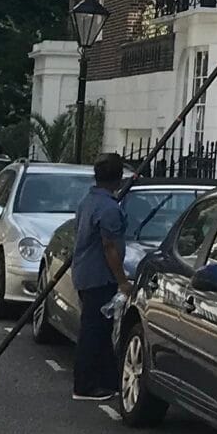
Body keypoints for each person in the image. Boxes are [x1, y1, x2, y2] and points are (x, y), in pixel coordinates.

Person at [67, 154, 135, 400]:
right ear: (118, 179)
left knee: (101, 330)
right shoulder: (108, 208)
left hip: (85, 273)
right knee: (93, 333)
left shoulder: (89, 201)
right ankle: (84, 386)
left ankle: (106, 381)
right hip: (99, 277)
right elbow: (109, 247)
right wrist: (122, 280)